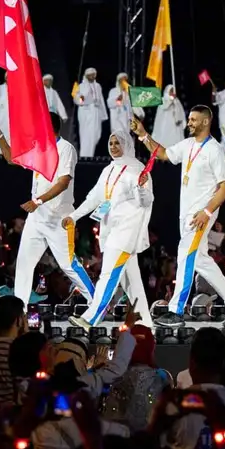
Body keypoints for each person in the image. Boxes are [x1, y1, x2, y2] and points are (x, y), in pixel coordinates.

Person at [133, 102, 225, 317]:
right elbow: (163, 154)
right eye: (189, 119)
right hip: (187, 215)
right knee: (199, 258)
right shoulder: (189, 144)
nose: (189, 123)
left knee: (185, 255)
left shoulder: (215, 150)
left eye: (193, 119)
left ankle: (176, 310)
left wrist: (207, 212)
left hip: (201, 215)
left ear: (206, 121)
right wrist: (144, 135)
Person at [71, 131, 152, 324]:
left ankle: (90, 319)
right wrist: (73, 217)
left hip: (126, 233)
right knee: (131, 283)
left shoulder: (137, 169)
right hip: (110, 230)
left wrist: (141, 188)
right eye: (111, 143)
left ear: (127, 145)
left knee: (108, 274)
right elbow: (94, 198)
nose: (114, 147)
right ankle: (146, 324)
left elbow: (147, 200)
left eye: (118, 143)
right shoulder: (108, 170)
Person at [3, 123, 87, 306]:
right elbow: (11, 159)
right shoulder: (38, 148)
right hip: (37, 217)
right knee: (24, 264)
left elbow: (64, 182)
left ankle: (97, 303)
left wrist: (38, 201)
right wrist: (0, 137)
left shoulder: (66, 149)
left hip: (59, 218)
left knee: (69, 265)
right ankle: (20, 309)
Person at [75, 67, 108, 159]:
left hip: (96, 113)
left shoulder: (98, 86)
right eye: (90, 75)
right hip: (86, 113)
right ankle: (85, 157)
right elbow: (77, 99)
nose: (92, 76)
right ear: (86, 76)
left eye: (94, 75)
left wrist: (103, 115)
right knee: (86, 136)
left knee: (96, 135)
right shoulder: (81, 86)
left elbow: (101, 99)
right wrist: (82, 99)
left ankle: (90, 155)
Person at [107, 73, 134, 140]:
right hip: (117, 123)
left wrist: (133, 120)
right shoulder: (113, 91)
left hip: (127, 125)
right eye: (122, 80)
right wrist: (117, 99)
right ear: (118, 81)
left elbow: (130, 110)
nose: (124, 82)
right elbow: (109, 103)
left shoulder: (128, 94)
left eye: (125, 80)